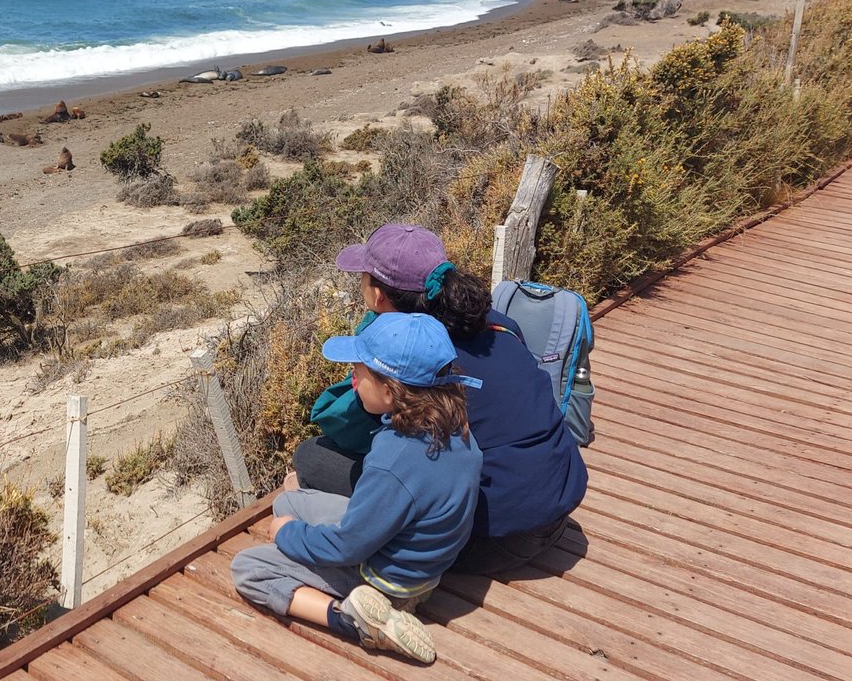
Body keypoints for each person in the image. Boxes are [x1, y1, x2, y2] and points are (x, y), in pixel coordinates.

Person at [293, 223, 587, 574]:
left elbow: (347, 430)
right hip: (559, 505)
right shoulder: (499, 324)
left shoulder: (409, 360)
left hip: (491, 539)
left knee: (311, 457)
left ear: (378, 296)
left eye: (363, 278)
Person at [232, 313, 483, 663]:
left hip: (386, 580)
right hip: (423, 564)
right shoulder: (454, 425)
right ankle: (366, 599)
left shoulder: (395, 456)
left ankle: (354, 620)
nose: (353, 379)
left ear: (389, 389)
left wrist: (288, 535)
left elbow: (347, 547)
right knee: (289, 503)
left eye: (358, 371)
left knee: (248, 567)